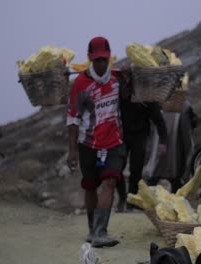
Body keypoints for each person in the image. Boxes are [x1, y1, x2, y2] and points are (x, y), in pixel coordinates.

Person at [67, 36, 128, 248]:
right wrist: (72, 150)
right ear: (90, 59)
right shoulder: (80, 84)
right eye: (97, 60)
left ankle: (101, 232)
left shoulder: (117, 79)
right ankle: (93, 229)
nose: (101, 64)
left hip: (114, 141)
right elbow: (73, 118)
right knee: (91, 186)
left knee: (110, 182)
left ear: (109, 57)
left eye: (104, 59)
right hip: (88, 144)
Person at [116, 89, 168, 212]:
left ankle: (131, 200)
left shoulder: (146, 96)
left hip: (140, 135)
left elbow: (158, 120)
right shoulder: (119, 92)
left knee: (136, 170)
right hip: (122, 134)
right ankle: (122, 197)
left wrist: (163, 141)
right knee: (117, 168)